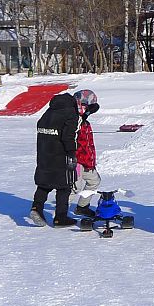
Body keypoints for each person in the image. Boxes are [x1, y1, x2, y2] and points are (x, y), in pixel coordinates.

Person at [30, 92, 81, 227]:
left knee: (44, 184)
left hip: (44, 153)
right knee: (64, 187)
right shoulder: (70, 113)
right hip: (60, 155)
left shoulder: (48, 112)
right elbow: (68, 136)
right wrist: (72, 152)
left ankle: (36, 208)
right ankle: (60, 217)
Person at [70, 89, 101, 219]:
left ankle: (82, 207)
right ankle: (61, 212)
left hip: (87, 160)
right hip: (76, 160)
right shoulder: (74, 119)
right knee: (75, 188)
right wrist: (86, 113)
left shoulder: (85, 121)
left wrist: (91, 161)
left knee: (94, 181)